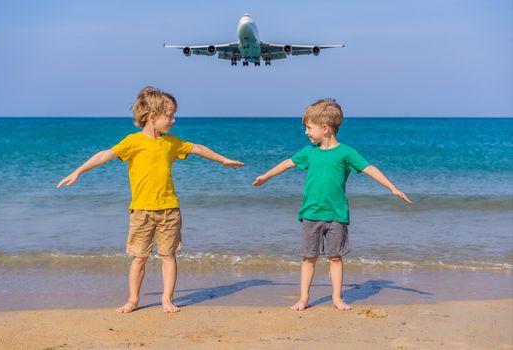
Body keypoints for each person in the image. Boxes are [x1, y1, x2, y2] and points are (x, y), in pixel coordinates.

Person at [57, 86, 244, 313]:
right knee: (139, 258)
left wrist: (223, 160)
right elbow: (105, 154)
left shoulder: (171, 143)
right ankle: (133, 300)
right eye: (170, 115)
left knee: (168, 255)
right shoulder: (132, 142)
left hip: (169, 209)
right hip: (141, 211)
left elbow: (198, 148)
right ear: (153, 117)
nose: (173, 120)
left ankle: (167, 299)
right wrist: (79, 171)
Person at [253, 98, 411, 311]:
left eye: (309, 128)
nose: (306, 132)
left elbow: (370, 168)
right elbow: (287, 164)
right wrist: (267, 176)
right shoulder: (309, 152)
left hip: (337, 215)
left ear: (325, 128)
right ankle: (303, 298)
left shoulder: (346, 153)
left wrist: (392, 188)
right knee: (309, 258)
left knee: (335, 257)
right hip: (311, 213)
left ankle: (337, 298)